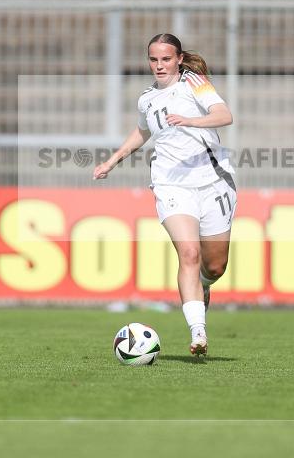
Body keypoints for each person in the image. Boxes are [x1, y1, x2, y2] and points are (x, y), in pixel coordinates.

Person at [93, 33, 236, 357]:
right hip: (171, 182)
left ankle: (204, 286)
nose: (159, 65)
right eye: (154, 60)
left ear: (179, 59)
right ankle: (198, 331)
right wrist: (111, 161)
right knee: (188, 253)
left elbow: (224, 115)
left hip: (213, 180)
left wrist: (191, 120)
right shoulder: (147, 99)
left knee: (214, 267)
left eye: (166, 59)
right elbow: (142, 131)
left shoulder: (194, 83)